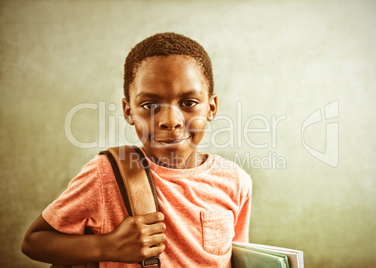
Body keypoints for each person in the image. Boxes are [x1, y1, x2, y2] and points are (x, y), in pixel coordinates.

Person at [22, 32, 252, 268]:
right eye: (150, 105)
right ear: (128, 110)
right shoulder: (106, 173)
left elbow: (238, 257)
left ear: (211, 107)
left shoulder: (236, 181)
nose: (170, 121)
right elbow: (34, 242)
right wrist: (107, 246)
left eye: (188, 103)